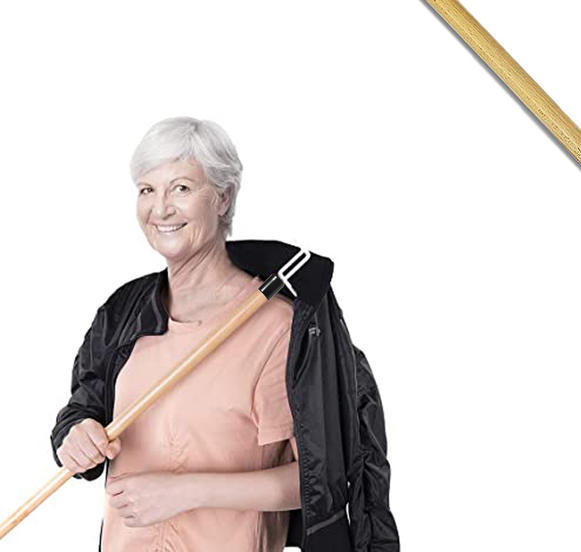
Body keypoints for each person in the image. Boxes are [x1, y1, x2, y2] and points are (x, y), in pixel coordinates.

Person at [51, 117, 400, 551]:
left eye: (181, 188)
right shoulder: (125, 312)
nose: (161, 209)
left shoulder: (276, 328)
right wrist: (76, 435)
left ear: (223, 197)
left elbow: (318, 480)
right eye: (147, 190)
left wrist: (185, 491)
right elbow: (83, 408)